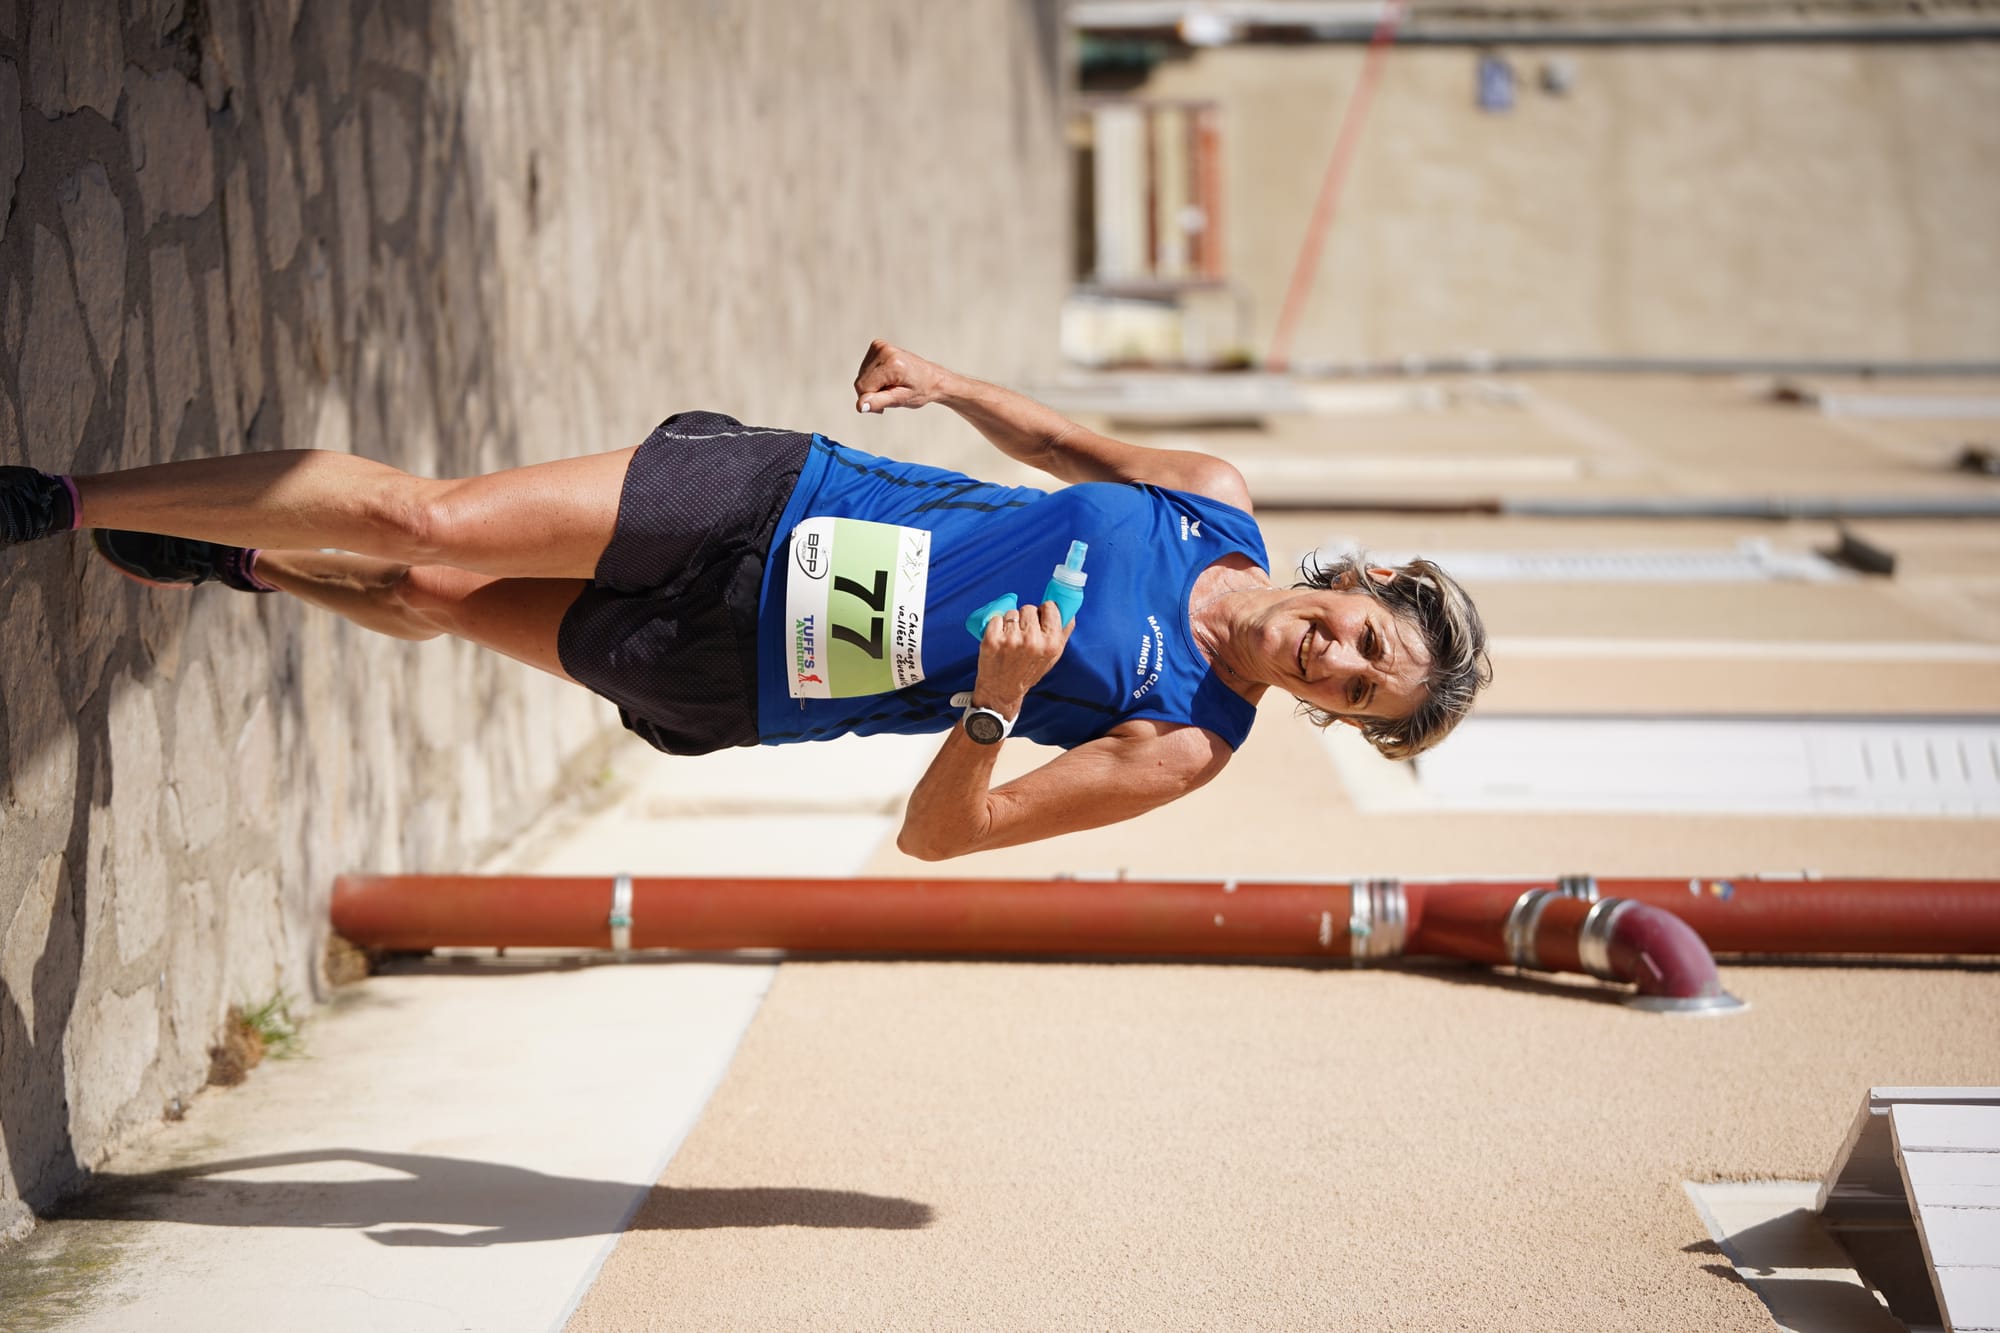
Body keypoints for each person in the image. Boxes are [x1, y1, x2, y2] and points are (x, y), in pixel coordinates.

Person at [1, 341, 1489, 858]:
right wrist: (954, 381)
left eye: (1359, 693)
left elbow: (941, 835)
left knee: (437, 589)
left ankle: (249, 560)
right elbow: (1063, 448)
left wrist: (995, 712)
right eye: (1367, 638)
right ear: (1360, 584)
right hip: (786, 500)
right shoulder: (1213, 492)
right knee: (427, 513)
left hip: (751, 667)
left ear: (1336, 716)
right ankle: (69, 499)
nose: (1338, 661)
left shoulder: (1184, 741)